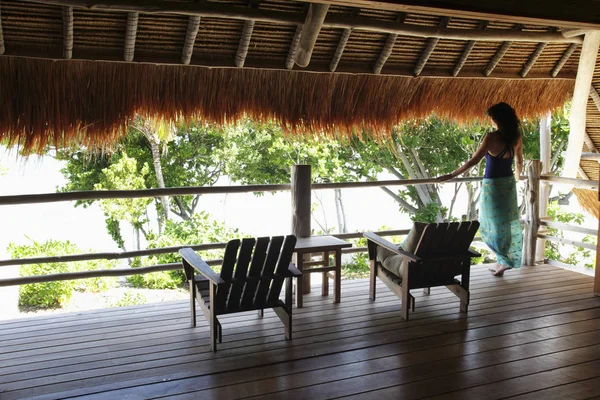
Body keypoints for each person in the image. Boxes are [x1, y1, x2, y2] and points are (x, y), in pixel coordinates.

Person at [436, 102, 524, 276]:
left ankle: (503, 260)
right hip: (508, 185)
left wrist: (452, 175)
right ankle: (502, 261)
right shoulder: (516, 137)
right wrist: (518, 179)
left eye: (491, 118)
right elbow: (519, 163)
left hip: (493, 186)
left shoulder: (492, 137)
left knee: (489, 223)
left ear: (496, 119)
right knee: (505, 223)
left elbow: (472, 162)